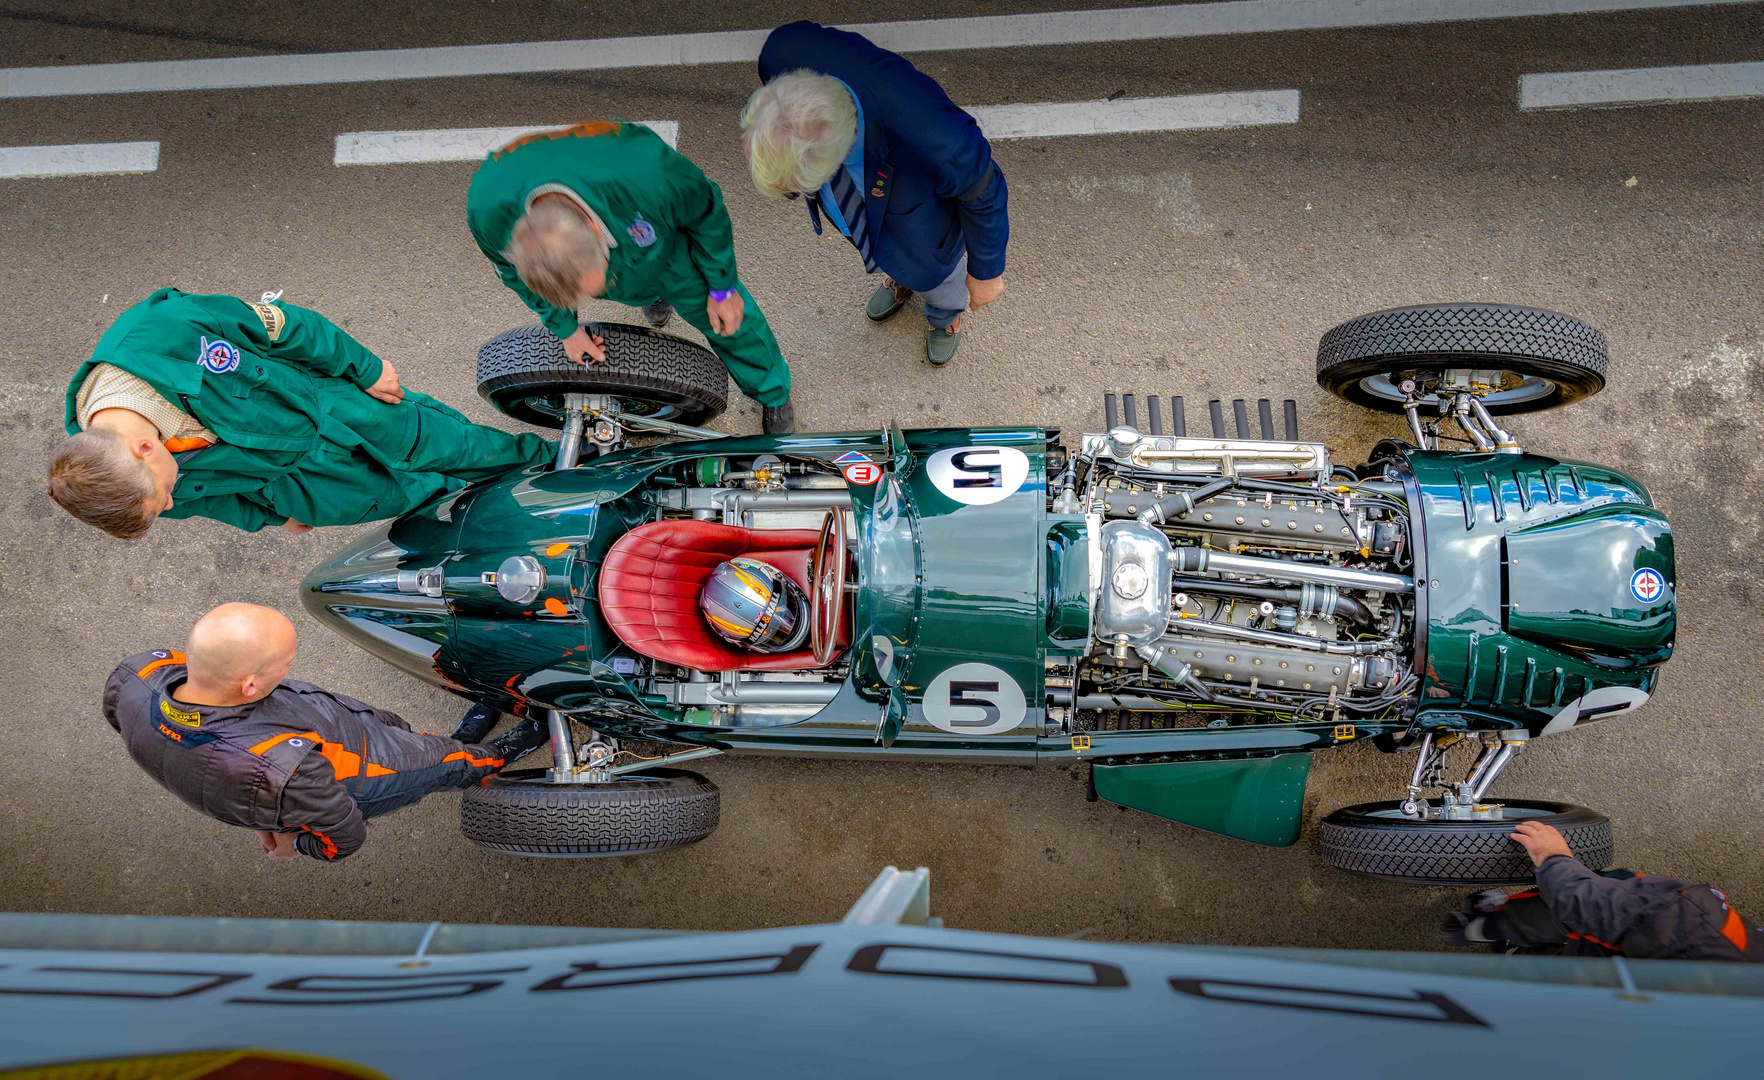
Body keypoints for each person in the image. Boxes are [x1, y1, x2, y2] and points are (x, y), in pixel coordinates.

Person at [51, 288, 554, 539]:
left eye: (161, 498)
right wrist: (276, 515)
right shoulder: (131, 480)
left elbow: (282, 327)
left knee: (465, 448)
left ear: (144, 449)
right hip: (313, 488)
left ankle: (568, 463)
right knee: (439, 506)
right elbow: (213, 503)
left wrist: (364, 366)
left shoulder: (165, 329)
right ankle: (535, 517)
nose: (168, 506)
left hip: (343, 410)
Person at [104, 603, 550, 862]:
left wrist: (267, 810)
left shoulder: (138, 675)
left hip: (328, 748)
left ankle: (463, 741)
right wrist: (296, 841)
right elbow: (344, 839)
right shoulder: (281, 771)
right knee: (450, 762)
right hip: (372, 772)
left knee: (429, 743)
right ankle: (504, 748)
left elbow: (127, 723)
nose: (291, 666)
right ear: (251, 686)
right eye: (286, 662)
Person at [466, 121, 797, 433]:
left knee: (729, 320)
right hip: (616, 247)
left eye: (596, 285)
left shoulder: (648, 172)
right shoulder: (488, 211)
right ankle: (649, 295)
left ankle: (771, 389)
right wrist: (564, 328)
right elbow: (512, 272)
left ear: (597, 230)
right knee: (627, 289)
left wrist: (723, 287)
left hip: (666, 253)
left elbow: (707, 211)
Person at [742, 21, 1010, 367]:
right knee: (893, 249)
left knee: (937, 275)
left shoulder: (938, 138)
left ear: (840, 148)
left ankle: (944, 313)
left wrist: (986, 273)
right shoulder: (780, 53)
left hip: (923, 222)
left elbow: (984, 190)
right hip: (877, 201)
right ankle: (902, 272)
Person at [1443, 820, 1762, 961]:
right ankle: (1520, 955)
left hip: (1620, 973)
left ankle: (1482, 927)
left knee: (1624, 893)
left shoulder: (1707, 932)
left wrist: (1553, 858)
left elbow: (1593, 903)